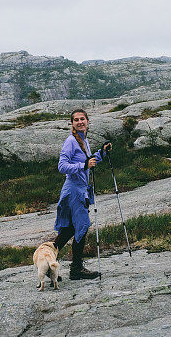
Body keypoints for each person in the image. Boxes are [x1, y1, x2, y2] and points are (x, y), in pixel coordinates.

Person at [53, 108, 111, 280]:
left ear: (87, 121)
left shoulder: (83, 140)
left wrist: (102, 153)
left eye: (82, 119)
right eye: (76, 120)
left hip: (79, 190)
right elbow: (62, 166)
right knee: (82, 226)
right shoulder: (71, 141)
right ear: (72, 124)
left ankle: (48, 263)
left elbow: (88, 160)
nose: (80, 122)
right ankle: (76, 269)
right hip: (74, 191)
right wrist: (83, 166)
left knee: (70, 228)